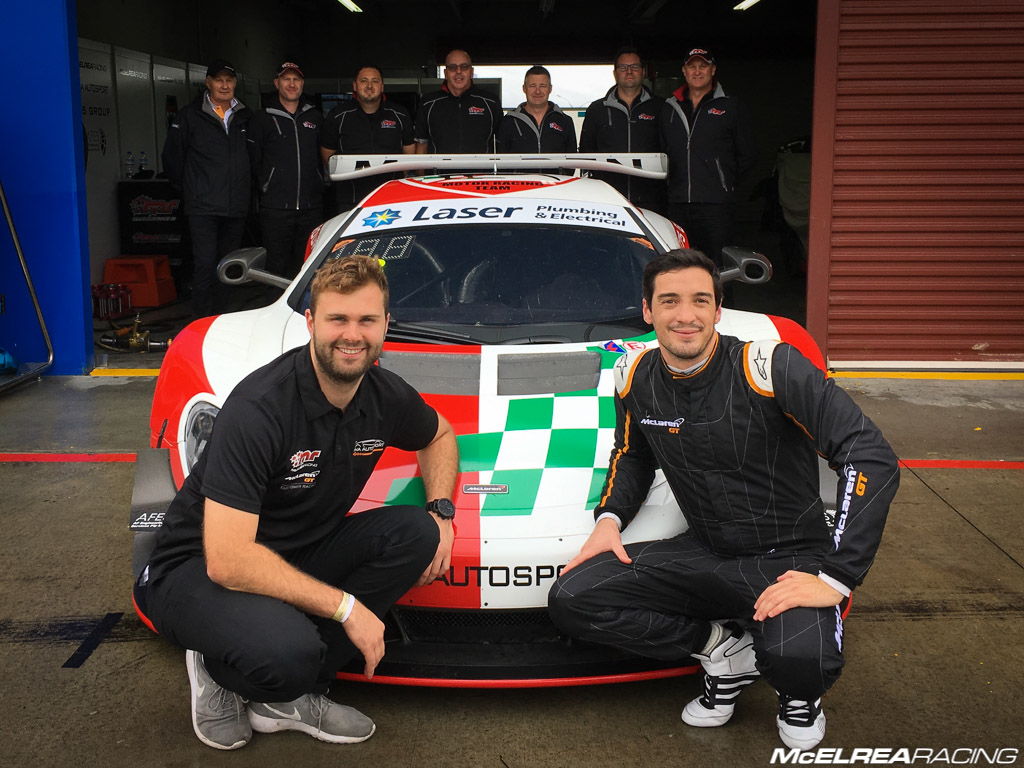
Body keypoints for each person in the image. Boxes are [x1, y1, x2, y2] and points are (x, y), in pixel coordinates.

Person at [548, 249, 899, 751]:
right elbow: (632, 455)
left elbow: (870, 456)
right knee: (574, 598)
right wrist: (609, 518)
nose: (684, 315)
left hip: (789, 556)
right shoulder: (634, 374)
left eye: (699, 301)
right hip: (706, 552)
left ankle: (799, 696)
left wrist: (837, 576)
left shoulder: (768, 365)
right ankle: (724, 652)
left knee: (803, 660)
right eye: (669, 301)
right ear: (647, 311)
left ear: (718, 310)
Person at [133, 254, 459, 750]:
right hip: (196, 567)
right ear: (310, 322)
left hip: (296, 551)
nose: (353, 334)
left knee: (417, 532)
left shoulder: (382, 393)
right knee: (288, 652)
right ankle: (218, 667)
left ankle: (289, 695)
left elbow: (439, 434)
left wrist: (441, 512)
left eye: (367, 320)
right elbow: (228, 560)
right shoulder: (259, 408)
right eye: (338, 319)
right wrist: (348, 608)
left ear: (385, 326)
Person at [162, 59, 252, 316]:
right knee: (204, 264)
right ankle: (201, 322)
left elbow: (255, 158)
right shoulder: (189, 115)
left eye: (229, 80)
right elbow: (172, 159)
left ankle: (222, 319)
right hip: (203, 206)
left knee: (230, 267)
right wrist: (192, 189)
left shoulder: (245, 115)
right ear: (208, 83)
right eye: (219, 80)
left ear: (235, 83)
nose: (224, 85)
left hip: (236, 206)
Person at [660, 49, 756, 266]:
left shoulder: (731, 106)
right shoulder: (669, 108)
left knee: (720, 266)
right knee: (679, 265)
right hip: (678, 203)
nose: (697, 71)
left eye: (703, 66)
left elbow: (748, 155)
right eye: (692, 66)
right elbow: (662, 151)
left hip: (716, 206)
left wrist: (723, 183)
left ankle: (721, 302)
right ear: (684, 71)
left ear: (713, 70)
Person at [247, 61, 324, 281]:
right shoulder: (261, 118)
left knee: (310, 265)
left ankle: (305, 313)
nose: (292, 84)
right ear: (276, 83)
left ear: (302, 84)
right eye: (286, 79)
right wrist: (266, 186)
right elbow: (254, 160)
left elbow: (324, 155)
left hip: (311, 207)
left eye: (296, 79)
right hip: (275, 208)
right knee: (276, 267)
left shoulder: (315, 117)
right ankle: (275, 310)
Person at [321, 65, 416, 215]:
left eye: (375, 81)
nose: (369, 86)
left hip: (390, 197)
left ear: (382, 86)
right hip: (350, 199)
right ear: (355, 85)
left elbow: (409, 151)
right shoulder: (338, 115)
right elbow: (328, 154)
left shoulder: (399, 114)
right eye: (364, 81)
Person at [579, 48, 665, 213]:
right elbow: (586, 152)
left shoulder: (661, 107)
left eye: (634, 67)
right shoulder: (597, 109)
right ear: (615, 73)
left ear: (643, 71)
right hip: (609, 198)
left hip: (652, 198)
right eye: (623, 67)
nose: (629, 72)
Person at [414, 49, 501, 154]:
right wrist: (420, 171)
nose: (458, 71)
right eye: (452, 67)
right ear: (446, 73)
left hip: (480, 170)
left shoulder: (490, 102)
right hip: (439, 170)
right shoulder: (428, 103)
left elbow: (502, 143)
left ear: (471, 72)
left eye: (464, 67)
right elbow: (422, 144)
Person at [495, 65, 577, 157]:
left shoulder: (565, 121)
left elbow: (571, 163)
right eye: (532, 86)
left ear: (550, 89)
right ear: (524, 88)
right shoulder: (508, 122)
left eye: (542, 86)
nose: (537, 91)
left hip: (551, 173)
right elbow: (502, 162)